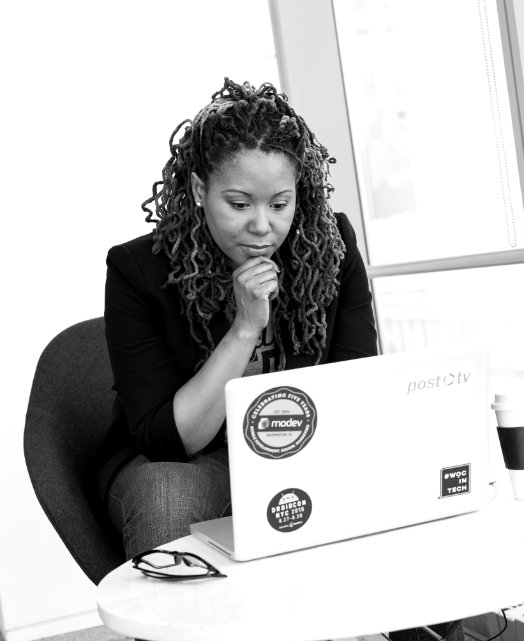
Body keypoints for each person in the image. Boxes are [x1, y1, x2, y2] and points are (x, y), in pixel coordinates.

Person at [92, 78, 462, 641]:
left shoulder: (328, 246)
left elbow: (353, 384)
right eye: (238, 204)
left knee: (419, 478)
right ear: (197, 190)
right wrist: (244, 328)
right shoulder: (138, 271)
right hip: (197, 460)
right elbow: (170, 439)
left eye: (280, 203)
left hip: (309, 449)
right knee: (165, 496)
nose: (262, 226)